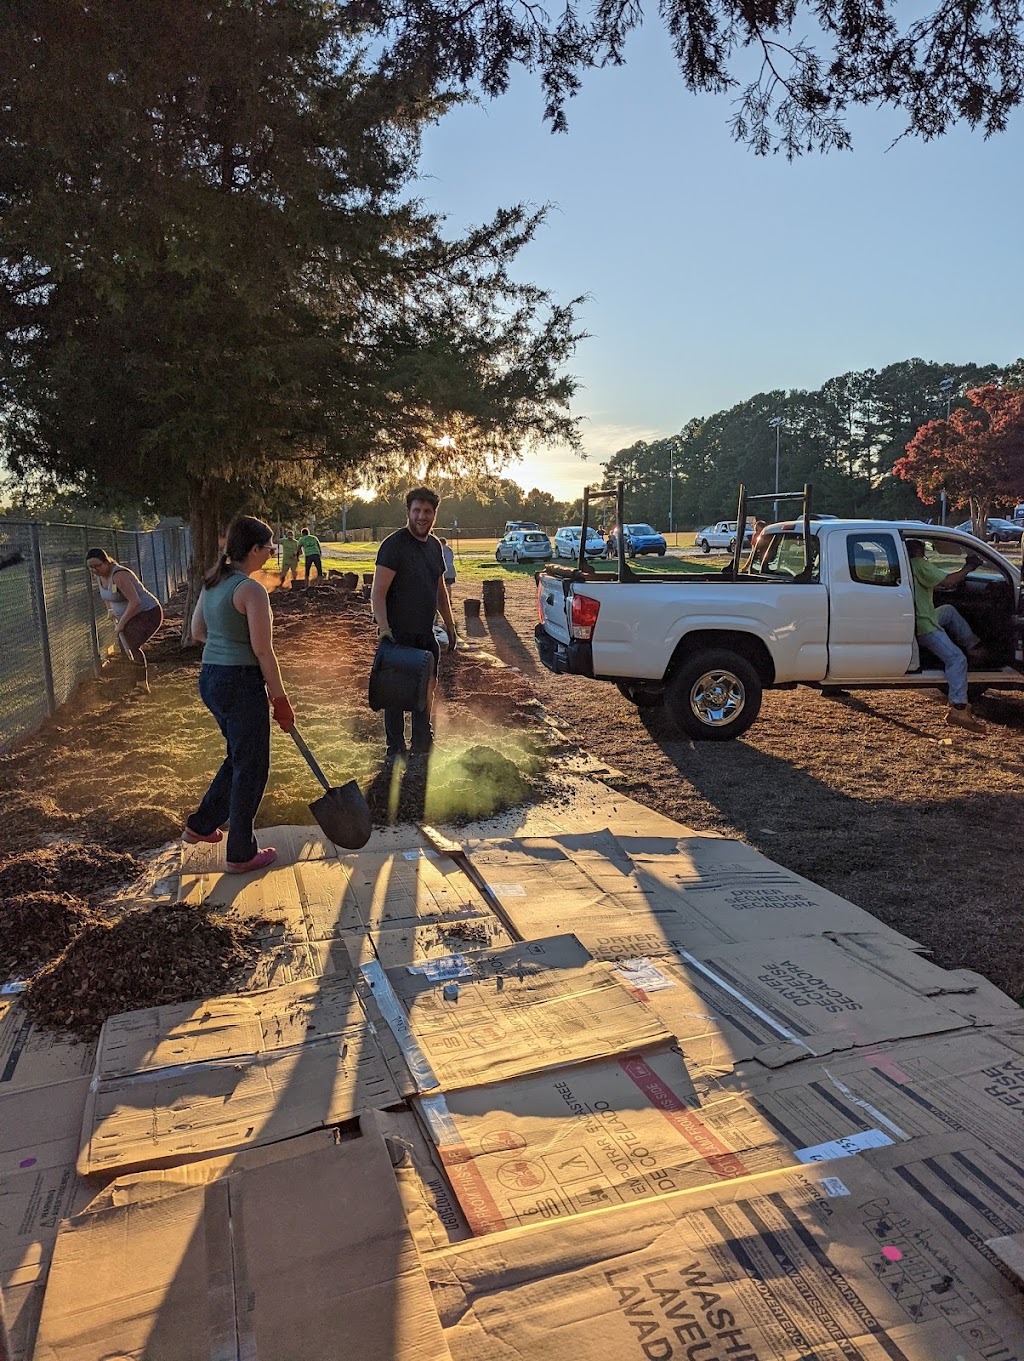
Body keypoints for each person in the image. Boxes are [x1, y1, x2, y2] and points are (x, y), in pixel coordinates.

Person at [185, 516, 295, 872]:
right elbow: (264, 651)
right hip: (239, 683)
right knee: (252, 766)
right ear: (254, 549)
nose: (271, 553)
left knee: (238, 757)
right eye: (269, 547)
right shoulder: (251, 590)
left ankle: (201, 825)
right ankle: (240, 853)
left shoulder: (213, 582)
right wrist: (281, 700)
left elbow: (198, 631)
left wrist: (227, 643)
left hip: (212, 678)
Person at [371, 487, 458, 760]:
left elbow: (439, 589)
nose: (422, 516)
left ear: (434, 514)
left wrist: (450, 624)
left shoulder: (434, 547)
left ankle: (422, 742)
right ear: (408, 512)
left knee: (426, 690)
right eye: (417, 510)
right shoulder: (393, 546)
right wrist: (384, 629)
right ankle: (395, 749)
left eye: (427, 511)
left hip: (425, 634)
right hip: (397, 636)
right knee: (395, 697)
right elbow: (378, 592)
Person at [906, 538, 987, 734]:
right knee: (957, 660)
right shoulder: (919, 564)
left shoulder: (907, 565)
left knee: (949, 611)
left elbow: (939, 584)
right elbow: (949, 581)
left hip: (920, 617)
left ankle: (973, 646)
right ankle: (959, 709)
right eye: (923, 549)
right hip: (925, 624)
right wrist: (969, 567)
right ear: (917, 551)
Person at [86, 548, 163, 692]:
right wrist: (110, 610)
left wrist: (121, 624)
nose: (94, 570)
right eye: (91, 567)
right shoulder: (100, 577)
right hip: (130, 615)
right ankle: (135, 683)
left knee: (132, 644)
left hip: (147, 613)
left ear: (107, 562)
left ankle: (141, 686)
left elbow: (135, 601)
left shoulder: (119, 575)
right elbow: (107, 596)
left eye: (97, 566)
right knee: (125, 648)